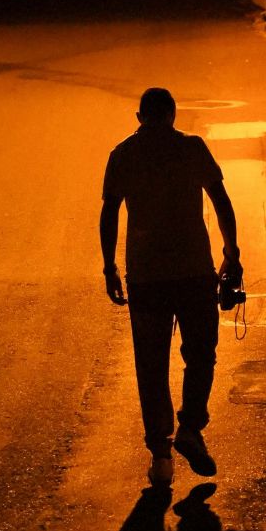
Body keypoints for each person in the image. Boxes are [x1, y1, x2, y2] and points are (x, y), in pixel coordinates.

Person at [99, 87, 241, 485]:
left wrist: (109, 265)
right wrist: (232, 252)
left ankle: (161, 455)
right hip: (194, 272)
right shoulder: (193, 149)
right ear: (173, 116)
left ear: (140, 117)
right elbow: (222, 201)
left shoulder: (123, 155)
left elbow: (109, 211)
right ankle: (191, 427)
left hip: (146, 277)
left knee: (151, 364)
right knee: (201, 355)